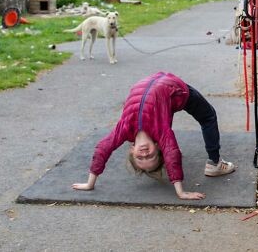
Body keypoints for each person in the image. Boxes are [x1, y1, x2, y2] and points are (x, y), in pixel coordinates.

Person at [72, 72, 235, 200]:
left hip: (152, 82)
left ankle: (214, 163)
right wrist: (181, 192)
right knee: (208, 116)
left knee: (168, 113)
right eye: (149, 156)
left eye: (140, 157)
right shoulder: (160, 131)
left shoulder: (125, 129)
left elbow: (103, 149)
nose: (144, 153)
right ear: (158, 147)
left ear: (132, 150)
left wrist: (90, 183)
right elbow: (172, 153)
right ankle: (214, 164)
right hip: (174, 89)